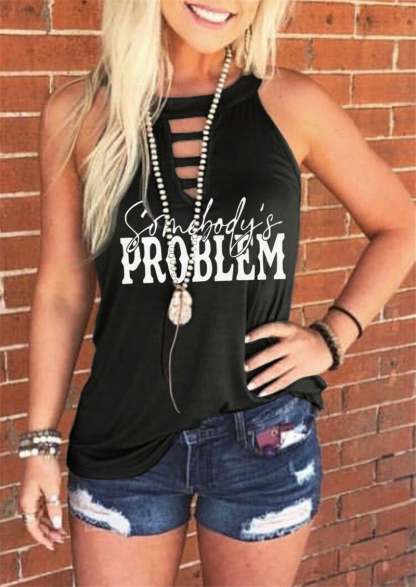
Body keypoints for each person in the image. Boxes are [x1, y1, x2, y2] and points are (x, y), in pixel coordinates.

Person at [17, 1, 415, 586]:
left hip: (262, 432)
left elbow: (401, 225)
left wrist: (333, 336)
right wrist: (40, 442)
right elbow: (61, 289)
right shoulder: (79, 112)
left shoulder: (289, 103)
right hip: (123, 432)